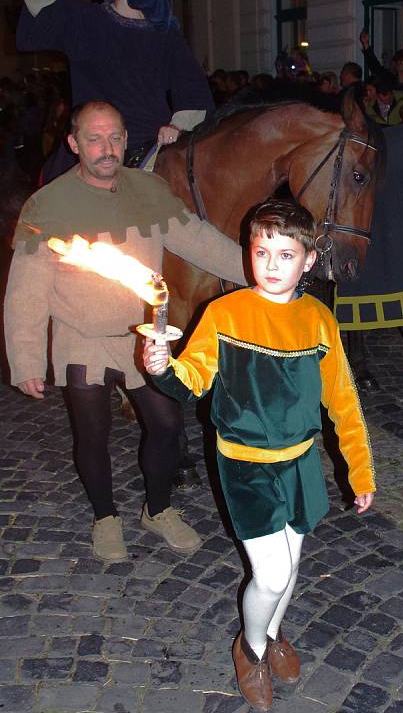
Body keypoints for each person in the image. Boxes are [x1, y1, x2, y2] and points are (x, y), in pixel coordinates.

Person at [143, 199, 376, 711]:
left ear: (309, 260)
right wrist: (163, 367)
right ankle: (249, 650)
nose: (271, 265)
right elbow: (194, 380)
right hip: (245, 463)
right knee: (269, 575)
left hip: (300, 462)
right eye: (261, 251)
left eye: (285, 254)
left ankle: (270, 635)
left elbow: (343, 398)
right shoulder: (224, 314)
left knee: (291, 567)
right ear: (249, 253)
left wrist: (360, 469)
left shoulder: (318, 318)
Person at [4, 101, 247, 563]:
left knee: (168, 424)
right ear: (74, 143)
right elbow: (25, 292)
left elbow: (199, 241)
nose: (106, 148)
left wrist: (258, 272)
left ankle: (158, 510)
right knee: (92, 433)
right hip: (82, 336)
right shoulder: (48, 204)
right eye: (94, 138)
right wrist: (28, 359)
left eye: (114, 136)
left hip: (142, 337)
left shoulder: (149, 190)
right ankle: (105, 516)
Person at [17, 0, 213, 177]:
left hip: (149, 145)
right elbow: (35, 3)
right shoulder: (86, 21)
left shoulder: (165, 34)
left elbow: (193, 88)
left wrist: (177, 126)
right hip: (92, 143)